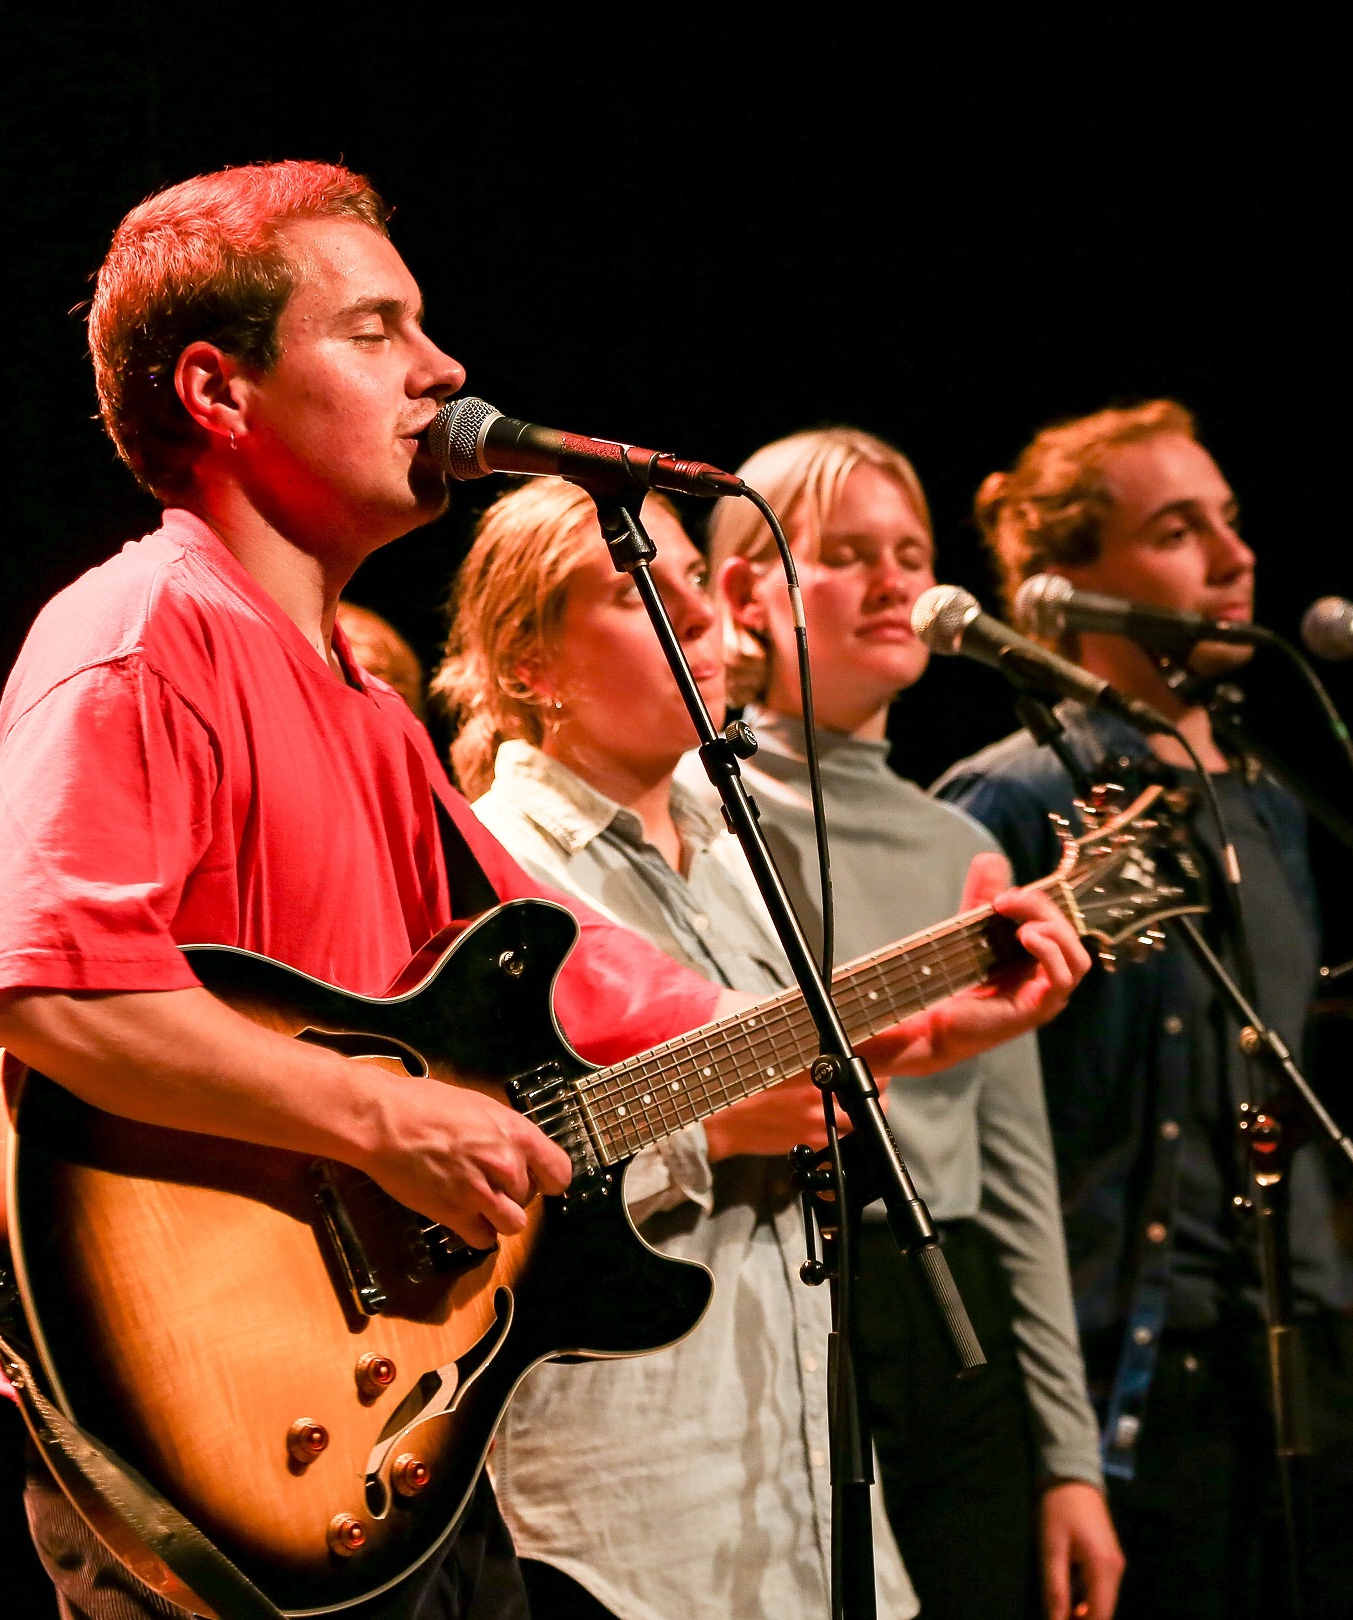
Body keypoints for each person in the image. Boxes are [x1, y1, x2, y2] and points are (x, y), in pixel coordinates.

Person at [0, 160, 1085, 1620]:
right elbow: (47, 986)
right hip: (200, 1408)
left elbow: (603, 988)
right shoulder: (138, 635)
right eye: (374, 332)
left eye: (423, 328)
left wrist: (921, 1015)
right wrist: (380, 1113)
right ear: (219, 393)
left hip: (375, 1407)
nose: (443, 370)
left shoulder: (364, 703)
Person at [436, 480, 1084, 1620]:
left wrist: (945, 1035)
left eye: (695, 580)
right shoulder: (492, 873)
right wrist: (713, 1132)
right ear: (527, 660)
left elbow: (779, 1077)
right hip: (623, 1520)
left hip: (800, 1495)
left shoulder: (737, 850)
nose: (702, 618)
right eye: (641, 591)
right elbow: (470, 1177)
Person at [932, 401, 1353, 1619]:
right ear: (1064, 586)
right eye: (1175, 530)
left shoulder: (1266, 801)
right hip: (1129, 1364)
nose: (1231, 557)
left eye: (1229, 521)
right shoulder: (1001, 804)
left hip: (1301, 1336)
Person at [701, 427, 1125, 1620]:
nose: (900, 584)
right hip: (779, 1307)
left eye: (914, 552)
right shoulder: (695, 811)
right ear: (746, 588)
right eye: (846, 553)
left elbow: (1018, 1176)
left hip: (955, 1313)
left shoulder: (964, 848)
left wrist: (1069, 1462)